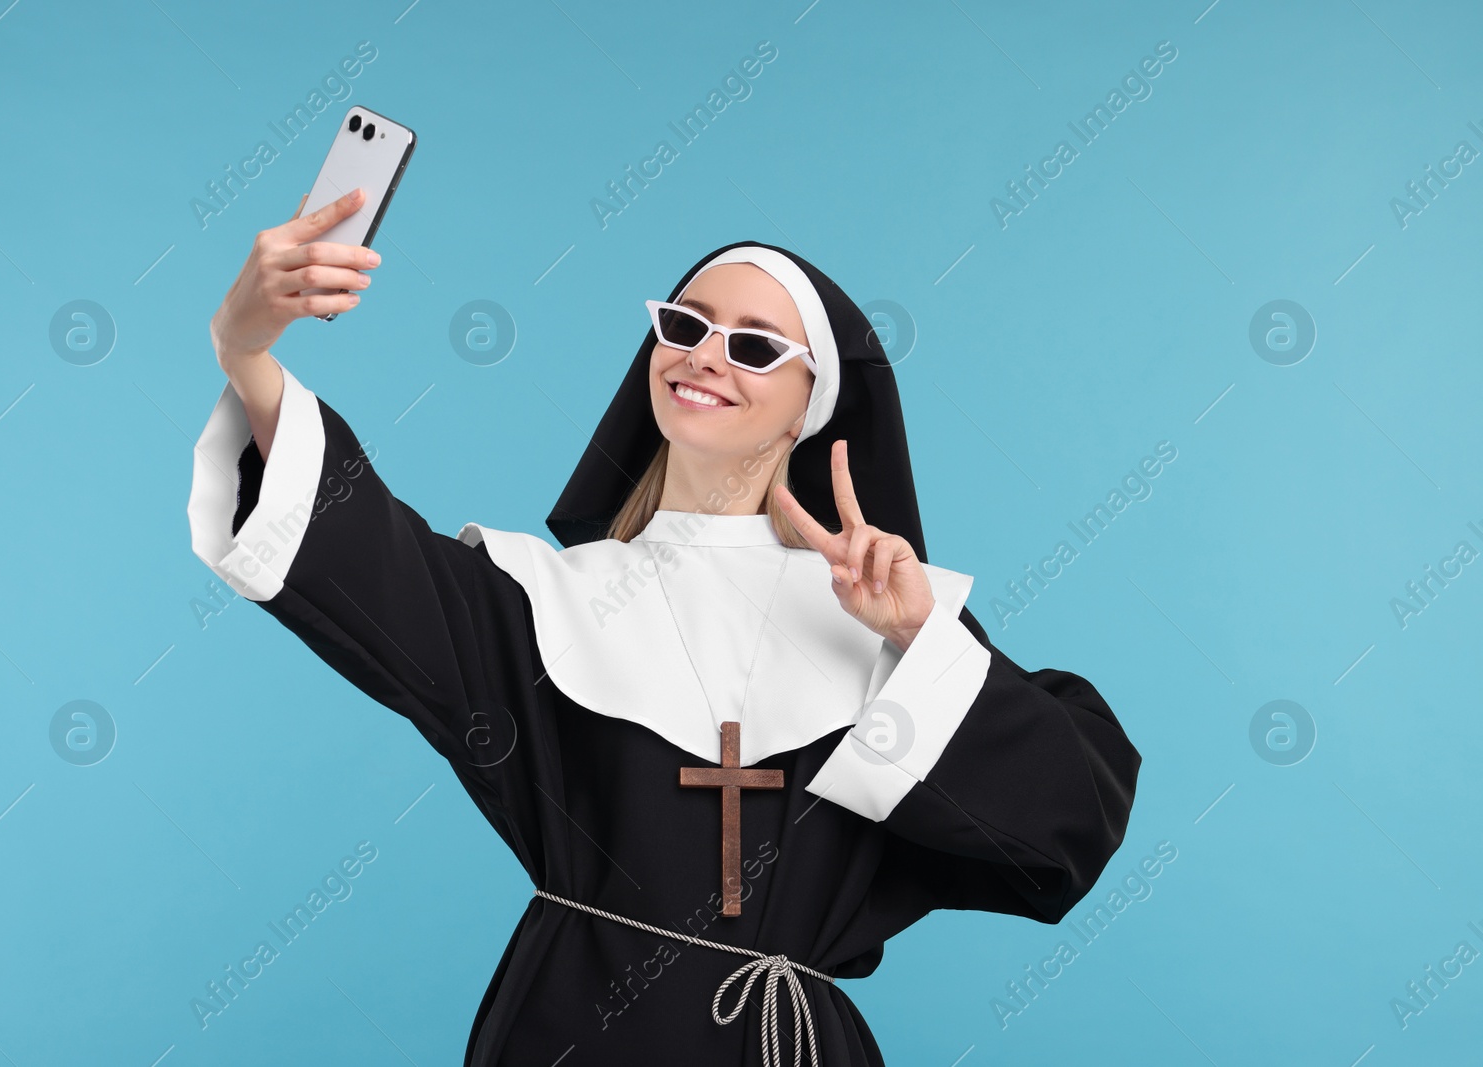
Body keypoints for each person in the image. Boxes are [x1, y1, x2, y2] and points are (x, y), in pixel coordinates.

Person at [188, 188, 1142, 1066]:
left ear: (814, 401)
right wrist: (246, 350)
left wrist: (919, 637)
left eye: (756, 345)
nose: (705, 355)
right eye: (686, 326)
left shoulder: (883, 619)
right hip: (574, 1031)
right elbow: (365, 550)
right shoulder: (547, 602)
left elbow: (1066, 822)